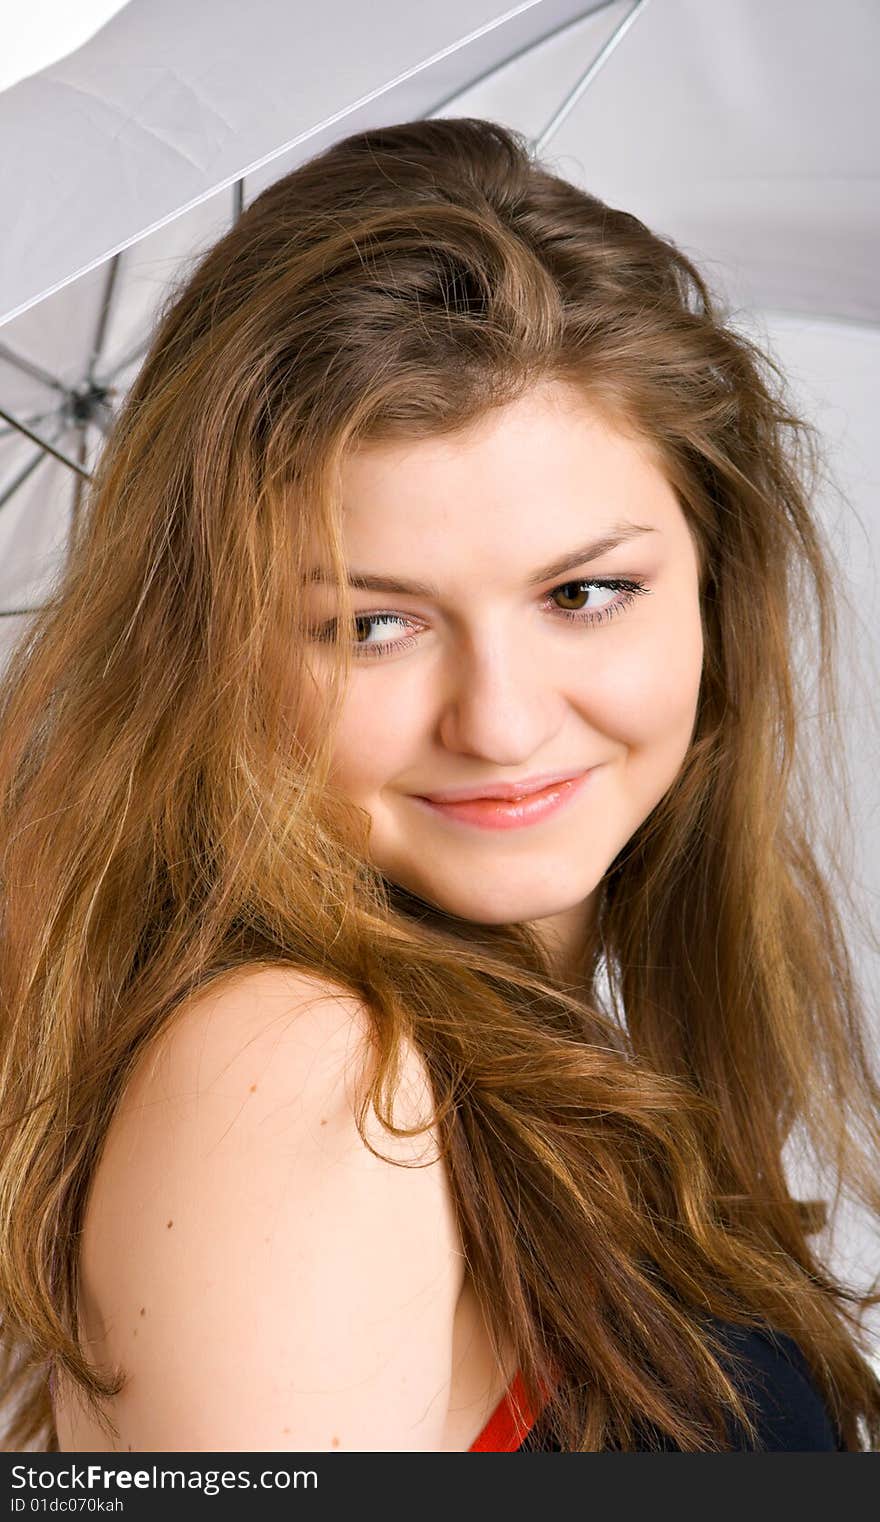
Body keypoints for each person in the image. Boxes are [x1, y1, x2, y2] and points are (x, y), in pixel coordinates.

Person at [0, 116, 878, 1454]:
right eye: (372, 624)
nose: (506, 721)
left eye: (585, 593)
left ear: (713, 582)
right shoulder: (300, 1070)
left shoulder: (521, 1066)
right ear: (217, 652)